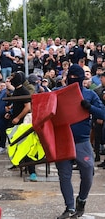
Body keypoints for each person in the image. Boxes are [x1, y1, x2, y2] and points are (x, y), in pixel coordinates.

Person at [56, 64, 105, 219]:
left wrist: (89, 108)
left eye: (76, 78)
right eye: (70, 77)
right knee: (64, 175)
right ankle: (69, 207)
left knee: (88, 172)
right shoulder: (58, 93)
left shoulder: (90, 95)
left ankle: (81, 200)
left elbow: (103, 113)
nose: (73, 80)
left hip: (82, 141)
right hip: (62, 140)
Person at [4, 71, 36, 181]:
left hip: (23, 123)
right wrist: (10, 112)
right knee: (14, 143)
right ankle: (18, 162)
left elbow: (27, 107)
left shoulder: (24, 91)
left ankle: (32, 171)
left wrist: (18, 117)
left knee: (26, 145)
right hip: (15, 121)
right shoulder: (17, 91)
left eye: (13, 77)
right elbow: (17, 104)